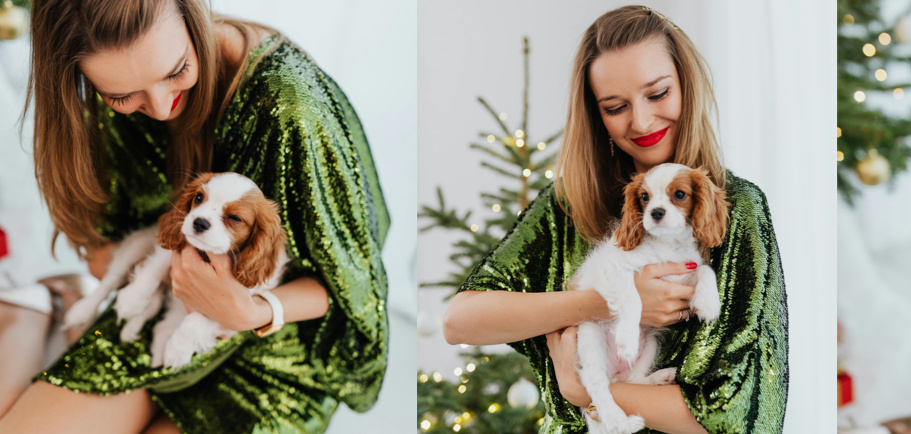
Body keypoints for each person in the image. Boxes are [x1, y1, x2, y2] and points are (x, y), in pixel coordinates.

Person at [0, 0, 391, 432]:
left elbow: (356, 294)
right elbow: (105, 245)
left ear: (192, 15)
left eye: (176, 71)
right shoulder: (101, 93)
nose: (163, 105)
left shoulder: (292, 109)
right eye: (124, 96)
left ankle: (43, 308)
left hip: (279, 358)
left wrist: (248, 313)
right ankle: (33, 309)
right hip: (156, 314)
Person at [441, 6, 788, 434]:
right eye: (615, 106)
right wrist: (606, 301)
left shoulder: (739, 206)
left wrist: (584, 390)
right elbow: (459, 321)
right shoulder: (571, 201)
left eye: (657, 94)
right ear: (597, 115)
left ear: (686, 87)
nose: (640, 121)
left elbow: (737, 417)